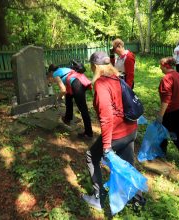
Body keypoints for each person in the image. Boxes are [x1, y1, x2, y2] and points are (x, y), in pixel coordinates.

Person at [82, 51, 138, 210]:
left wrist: (106, 146)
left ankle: (97, 199)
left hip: (117, 134)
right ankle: (136, 201)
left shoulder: (101, 84)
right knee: (126, 166)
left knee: (91, 156)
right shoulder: (117, 78)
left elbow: (107, 118)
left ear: (94, 66)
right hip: (131, 129)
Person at [156, 57, 179, 167]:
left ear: (164, 65)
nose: (159, 67)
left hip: (173, 110)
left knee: (175, 133)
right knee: (164, 128)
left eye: (160, 65)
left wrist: (160, 115)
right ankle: (162, 151)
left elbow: (166, 99)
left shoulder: (166, 78)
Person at [47, 64, 93, 138]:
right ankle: (68, 118)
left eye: (50, 74)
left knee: (83, 109)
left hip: (77, 84)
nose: (51, 76)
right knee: (68, 97)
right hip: (80, 81)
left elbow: (63, 90)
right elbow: (66, 88)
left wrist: (58, 98)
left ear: (51, 71)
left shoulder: (55, 74)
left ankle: (88, 133)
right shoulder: (62, 69)